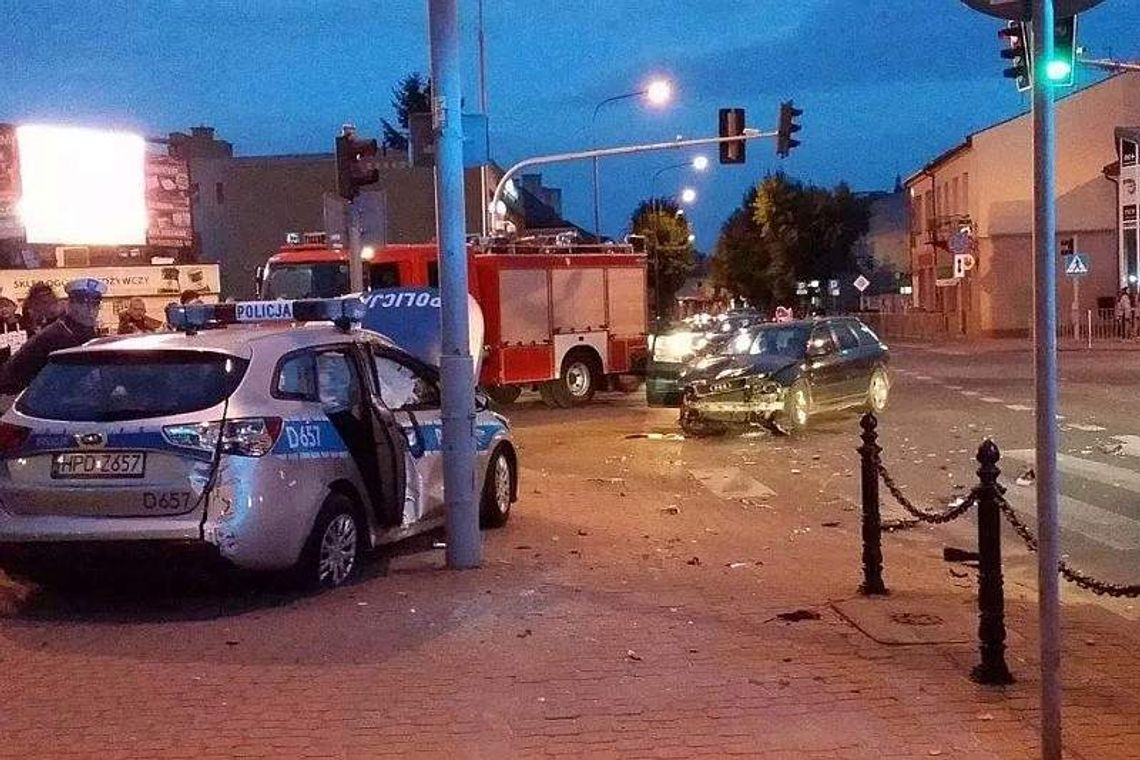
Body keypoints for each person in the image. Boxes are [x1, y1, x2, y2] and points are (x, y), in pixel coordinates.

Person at [0, 278, 105, 397]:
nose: (90, 310)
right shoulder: (58, 334)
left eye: (95, 304)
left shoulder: (84, 330)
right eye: (82, 303)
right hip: (20, 397)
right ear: (70, 304)